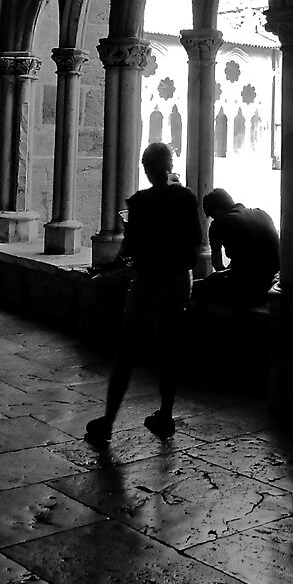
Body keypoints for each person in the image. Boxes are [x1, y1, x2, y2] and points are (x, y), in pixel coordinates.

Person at [88, 142, 205, 445]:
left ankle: (108, 423)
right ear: (170, 165)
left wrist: (110, 265)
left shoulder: (140, 202)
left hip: (150, 280)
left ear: (146, 169)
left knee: (127, 351)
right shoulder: (187, 197)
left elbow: (131, 247)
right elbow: (196, 241)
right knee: (166, 349)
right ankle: (165, 415)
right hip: (180, 279)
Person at [194, 188, 280, 308]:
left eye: (212, 216)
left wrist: (221, 275)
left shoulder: (219, 224)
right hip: (273, 280)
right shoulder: (261, 213)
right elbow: (249, 255)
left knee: (196, 288)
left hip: (250, 287)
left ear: (217, 212)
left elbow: (218, 265)